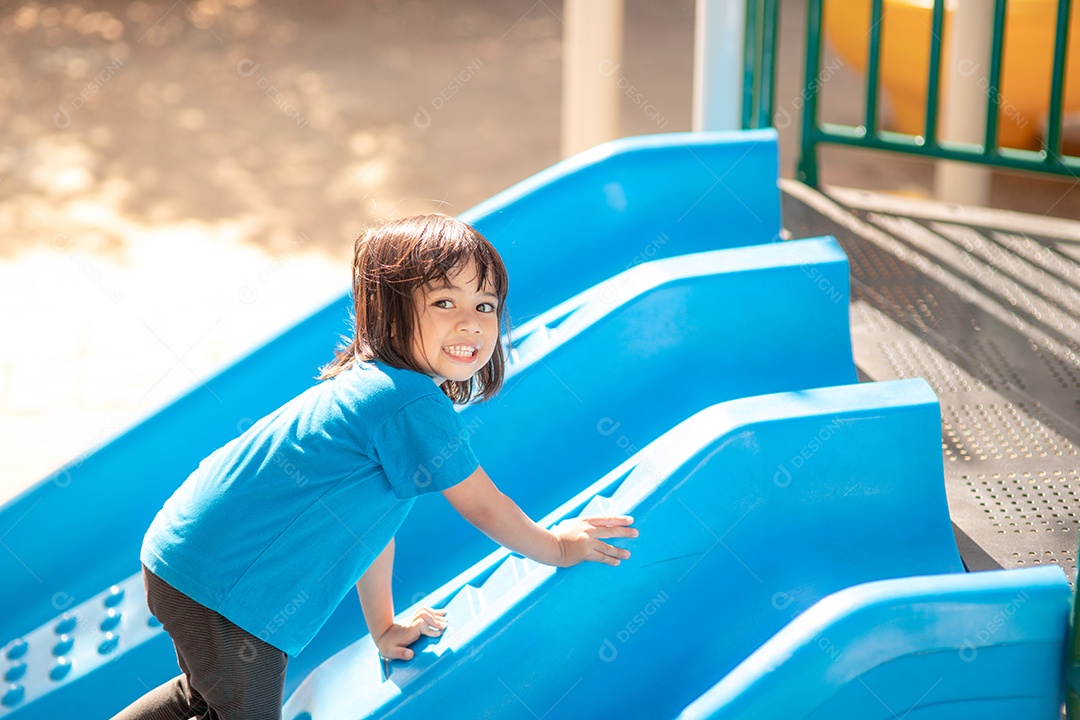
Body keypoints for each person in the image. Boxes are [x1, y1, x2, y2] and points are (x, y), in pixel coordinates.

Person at [114, 214, 638, 720]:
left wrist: (383, 626)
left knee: (202, 696)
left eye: (485, 305)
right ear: (389, 311)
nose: (470, 323)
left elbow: (365, 528)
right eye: (443, 302)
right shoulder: (407, 403)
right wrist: (560, 547)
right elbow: (483, 507)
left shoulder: (379, 387)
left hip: (185, 561)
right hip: (224, 591)